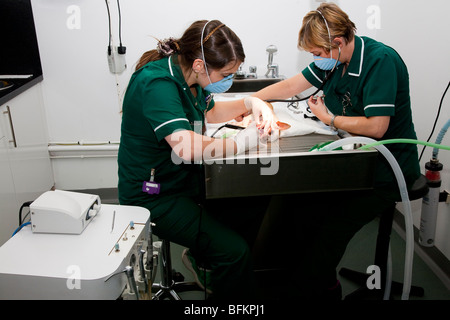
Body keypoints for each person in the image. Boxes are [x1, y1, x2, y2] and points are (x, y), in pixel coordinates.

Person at [251, 2, 421, 299]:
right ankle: (321, 282)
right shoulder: (336, 60)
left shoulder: (380, 61)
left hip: (384, 172)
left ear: (338, 42)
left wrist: (329, 118)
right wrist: (251, 102)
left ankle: (316, 286)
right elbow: (292, 85)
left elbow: (377, 127)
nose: (316, 59)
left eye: (317, 53)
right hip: (352, 166)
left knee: (327, 235)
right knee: (300, 214)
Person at [117, 19, 277, 299]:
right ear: (201, 65)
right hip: (153, 195)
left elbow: (211, 113)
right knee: (234, 252)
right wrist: (242, 142)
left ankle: (206, 257)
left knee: (255, 198)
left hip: (182, 180)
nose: (229, 80)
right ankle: (223, 267)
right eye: (227, 73)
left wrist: (252, 103)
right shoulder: (157, 83)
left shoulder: (190, 77)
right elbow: (186, 148)